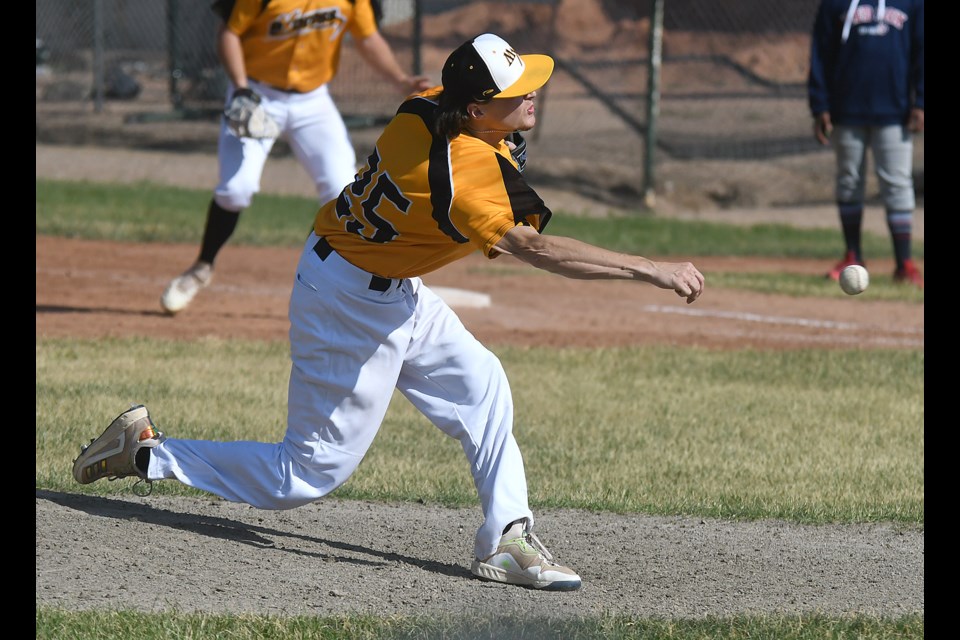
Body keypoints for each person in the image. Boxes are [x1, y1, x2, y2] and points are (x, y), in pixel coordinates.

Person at [74, 33, 705, 591]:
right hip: (345, 301)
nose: (534, 96)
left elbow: (435, 94)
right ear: (479, 110)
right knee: (304, 474)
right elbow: (533, 248)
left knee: (483, 384)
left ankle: (507, 538)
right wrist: (649, 268)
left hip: (385, 285)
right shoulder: (464, 172)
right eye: (518, 92)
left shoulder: (432, 104)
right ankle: (149, 452)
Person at [159, 0, 432, 314]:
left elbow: (367, 38)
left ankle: (316, 281)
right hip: (257, 93)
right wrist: (241, 87)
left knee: (343, 193)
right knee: (236, 189)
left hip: (313, 102)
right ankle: (201, 268)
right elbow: (229, 33)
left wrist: (400, 80)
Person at [808, 0, 924, 288]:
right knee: (849, 181)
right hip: (846, 110)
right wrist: (820, 104)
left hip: (894, 111)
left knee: (897, 183)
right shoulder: (836, 3)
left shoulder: (912, 2)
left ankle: (904, 264)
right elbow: (820, 53)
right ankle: (852, 254)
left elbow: (922, 52)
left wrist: (921, 101)